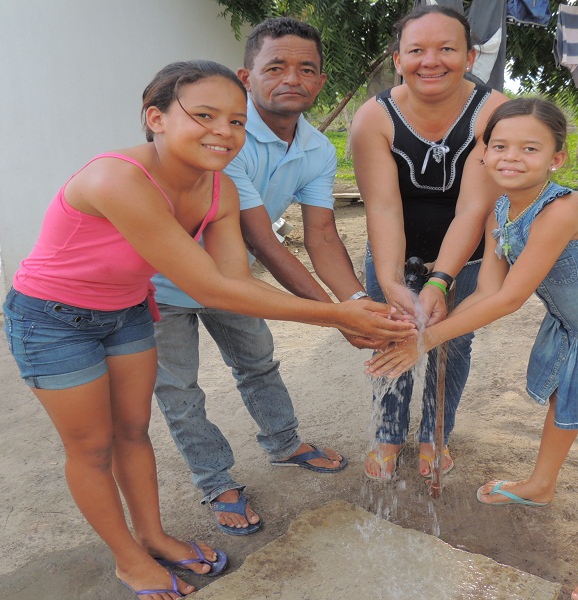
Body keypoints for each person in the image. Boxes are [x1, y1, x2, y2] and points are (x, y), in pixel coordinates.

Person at [2, 60, 413, 599]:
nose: (224, 131)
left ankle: (152, 535)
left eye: (237, 121)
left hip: (127, 309)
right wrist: (337, 314)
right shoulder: (117, 179)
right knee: (92, 446)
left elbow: (234, 282)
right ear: (156, 118)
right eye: (204, 115)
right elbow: (209, 288)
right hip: (53, 320)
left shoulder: (218, 188)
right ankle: (129, 559)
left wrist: (346, 309)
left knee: (133, 431)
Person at [366, 97, 578, 600]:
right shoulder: (500, 209)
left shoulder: (562, 210)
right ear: (484, 154)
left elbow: (510, 298)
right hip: (572, 326)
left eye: (530, 148)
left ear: (557, 158)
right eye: (500, 146)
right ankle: (540, 484)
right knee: (563, 400)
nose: (511, 157)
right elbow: (487, 290)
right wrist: (433, 312)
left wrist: (424, 341)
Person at [150, 18, 377, 537]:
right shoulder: (224, 137)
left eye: (306, 69)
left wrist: (358, 301)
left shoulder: (317, 149)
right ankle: (216, 481)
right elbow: (263, 240)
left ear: (321, 81)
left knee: (257, 362)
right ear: (246, 77)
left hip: (233, 277)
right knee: (180, 391)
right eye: (275, 67)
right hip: (161, 284)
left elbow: (322, 235)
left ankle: (283, 443)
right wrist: (338, 317)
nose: (292, 78)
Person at [351, 4, 508, 479]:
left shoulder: (493, 112)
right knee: (392, 335)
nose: (431, 61)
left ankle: (436, 435)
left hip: (469, 253)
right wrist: (389, 279)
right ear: (398, 59)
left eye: (447, 49)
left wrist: (441, 280)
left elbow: (473, 209)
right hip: (394, 247)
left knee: (451, 344)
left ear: (470, 56)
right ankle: (387, 434)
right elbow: (382, 207)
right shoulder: (374, 118)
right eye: (417, 50)